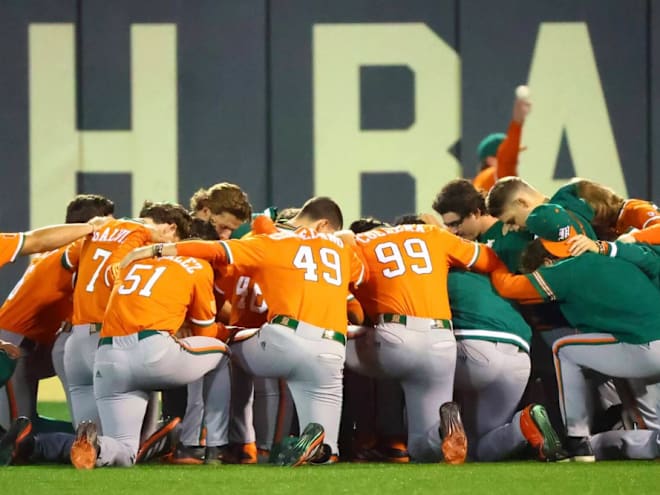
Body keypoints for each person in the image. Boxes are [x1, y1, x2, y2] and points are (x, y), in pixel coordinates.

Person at [120, 196, 365, 466]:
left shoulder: (272, 242)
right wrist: (345, 238)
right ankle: (315, 450)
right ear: (324, 226)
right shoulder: (341, 247)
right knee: (328, 451)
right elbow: (361, 274)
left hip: (285, 340)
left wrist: (156, 251)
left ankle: (205, 444)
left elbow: (214, 250)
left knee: (219, 349)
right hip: (331, 350)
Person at [489, 204, 660, 461]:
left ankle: (579, 439)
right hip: (641, 340)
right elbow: (651, 260)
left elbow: (509, 288)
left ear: (547, 258)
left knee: (564, 350)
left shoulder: (563, 272)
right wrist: (607, 247)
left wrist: (493, 261)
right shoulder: (610, 252)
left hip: (642, 348)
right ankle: (604, 442)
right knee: (653, 434)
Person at [68, 211, 231, 469]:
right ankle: (213, 446)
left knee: (125, 451)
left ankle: (98, 447)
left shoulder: (131, 263)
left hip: (108, 357)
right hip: (152, 353)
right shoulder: (197, 265)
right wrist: (229, 331)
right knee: (221, 354)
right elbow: (206, 333)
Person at [344, 218, 505, 464]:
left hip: (393, 336)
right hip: (440, 340)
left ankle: (349, 437)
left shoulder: (358, 242)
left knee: (323, 344)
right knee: (423, 448)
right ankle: (443, 430)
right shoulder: (432, 234)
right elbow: (489, 259)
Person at [63, 202, 192, 431]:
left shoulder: (103, 227)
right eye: (176, 242)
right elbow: (115, 271)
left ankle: (47, 446)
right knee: (128, 440)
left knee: (87, 435)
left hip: (76, 340)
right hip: (109, 339)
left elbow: (66, 260)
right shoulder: (146, 238)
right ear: (171, 229)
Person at [0, 194, 115, 432]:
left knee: (21, 426)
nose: (113, 234)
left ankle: (99, 438)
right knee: (14, 432)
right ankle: (87, 442)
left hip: (30, 343)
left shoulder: (59, 253)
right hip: (13, 344)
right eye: (110, 226)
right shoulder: (72, 252)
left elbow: (34, 240)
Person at [433, 179, 533, 272]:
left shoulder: (512, 237)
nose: (454, 232)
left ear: (476, 213)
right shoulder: (475, 243)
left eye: (456, 224)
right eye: (448, 226)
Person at [485, 177, 597, 240]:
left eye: (512, 221)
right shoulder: (575, 204)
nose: (514, 228)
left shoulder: (559, 227)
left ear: (522, 203)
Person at [472, 86, 531, 191]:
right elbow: (507, 158)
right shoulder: (496, 176)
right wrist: (517, 122)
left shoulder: (479, 181)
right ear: (490, 160)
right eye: (513, 154)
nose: (515, 159)